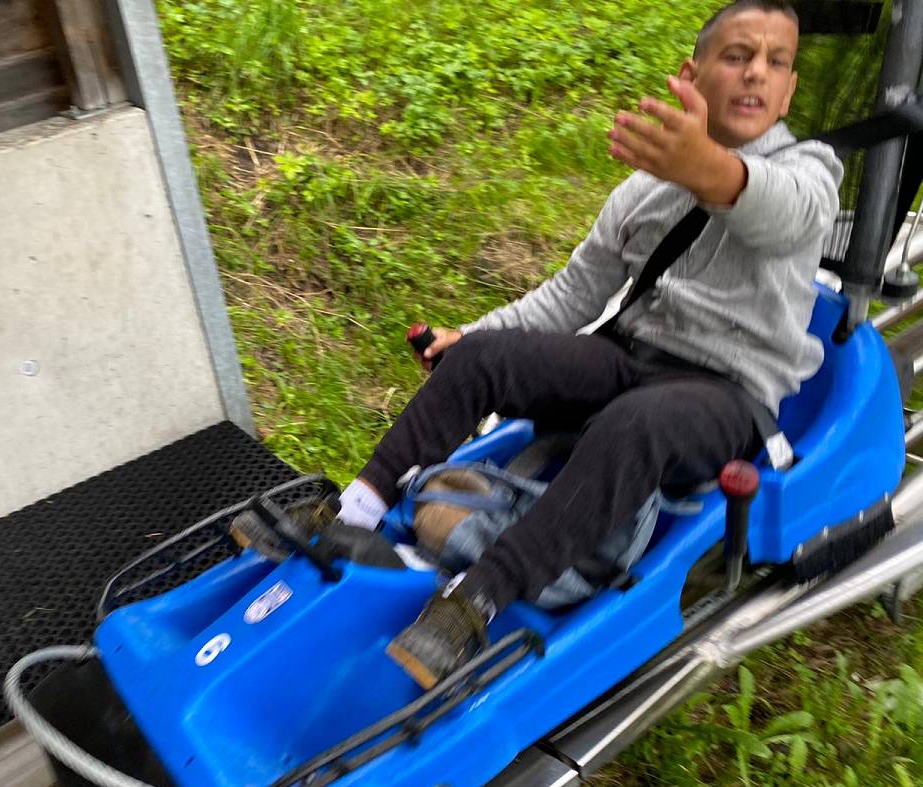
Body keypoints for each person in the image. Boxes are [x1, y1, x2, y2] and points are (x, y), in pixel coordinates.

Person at [334, 0, 844, 690]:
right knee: (485, 358)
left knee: (635, 424)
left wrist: (709, 168)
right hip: (629, 360)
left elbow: (782, 216)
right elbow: (573, 294)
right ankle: (353, 513)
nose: (757, 72)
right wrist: (469, 336)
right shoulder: (645, 188)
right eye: (737, 56)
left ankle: (478, 597)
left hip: (727, 392)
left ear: (787, 91)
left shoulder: (811, 170)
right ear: (692, 75)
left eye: (776, 62)